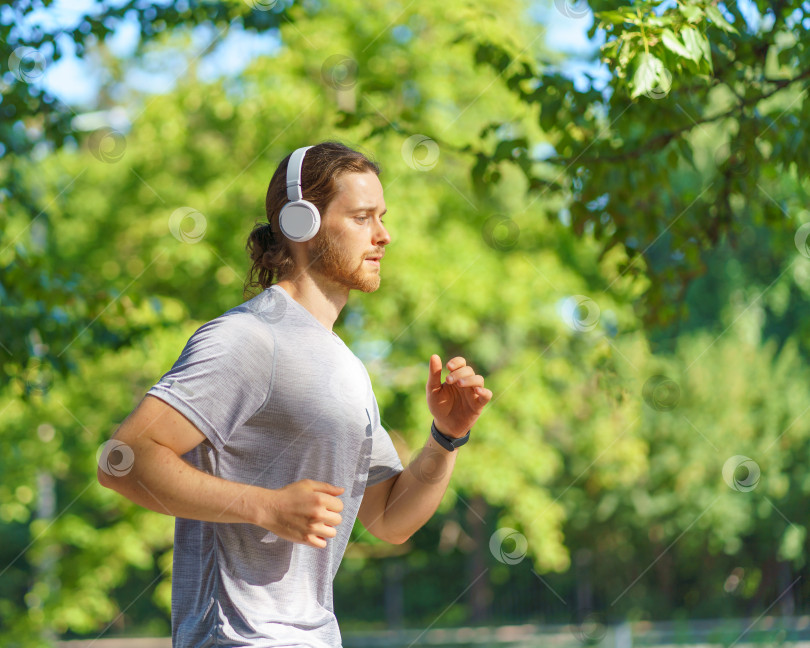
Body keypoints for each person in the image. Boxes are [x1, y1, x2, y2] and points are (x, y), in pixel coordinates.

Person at [97, 141, 492, 648]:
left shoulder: (347, 367)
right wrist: (264, 507)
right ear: (302, 223)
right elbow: (122, 460)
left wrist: (446, 438)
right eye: (362, 218)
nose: (383, 236)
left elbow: (390, 519)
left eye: (382, 217)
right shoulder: (248, 338)